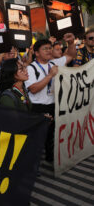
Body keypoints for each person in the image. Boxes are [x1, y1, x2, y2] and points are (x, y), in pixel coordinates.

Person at [24, 33, 76, 162]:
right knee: (37, 137)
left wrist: (70, 43)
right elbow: (33, 89)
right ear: (36, 53)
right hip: (38, 107)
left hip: (53, 104)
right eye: (45, 49)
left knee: (51, 135)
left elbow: (70, 55)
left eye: (49, 48)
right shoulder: (31, 68)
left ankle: (50, 158)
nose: (49, 51)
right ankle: (30, 164)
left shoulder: (53, 62)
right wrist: (49, 76)